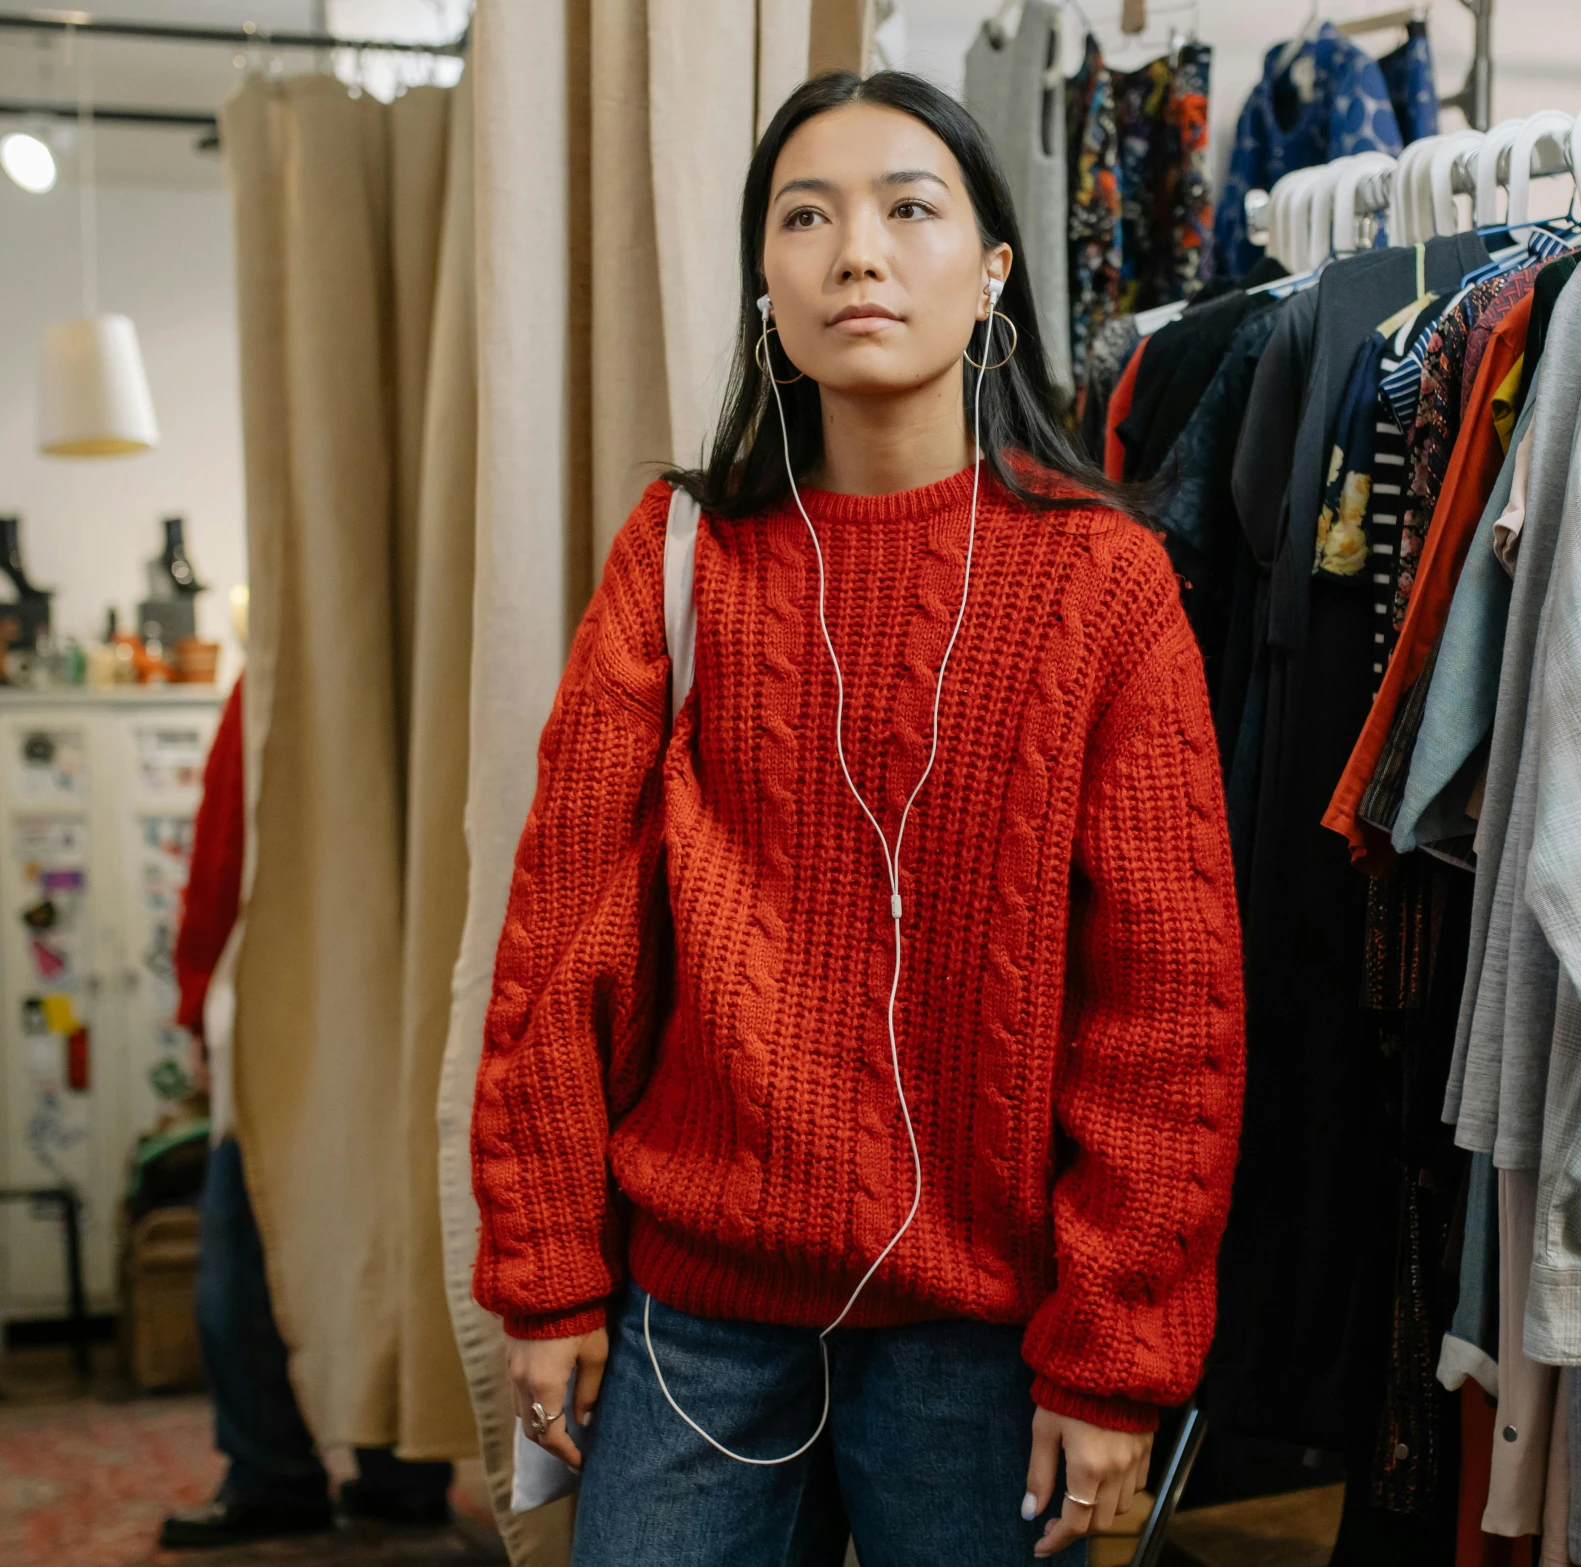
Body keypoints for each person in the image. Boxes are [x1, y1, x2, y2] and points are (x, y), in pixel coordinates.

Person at [469, 70, 1247, 1564]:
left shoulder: (1104, 582)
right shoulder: (683, 554)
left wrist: (1113, 1354)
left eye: (909, 209)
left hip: (981, 1329)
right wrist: (547, 1270)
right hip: (694, 1309)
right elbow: (562, 934)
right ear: (765, 276)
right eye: (804, 216)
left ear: (992, 266)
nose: (857, 254)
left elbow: (1166, 1005)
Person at [160, 676, 456, 1548]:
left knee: (256, 1258)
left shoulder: (277, 685)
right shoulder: (323, 682)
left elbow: (217, 858)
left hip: (302, 1015)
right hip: (331, 1015)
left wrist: (193, 1000)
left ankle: (305, 1470)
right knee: (338, 1245)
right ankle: (370, 1465)